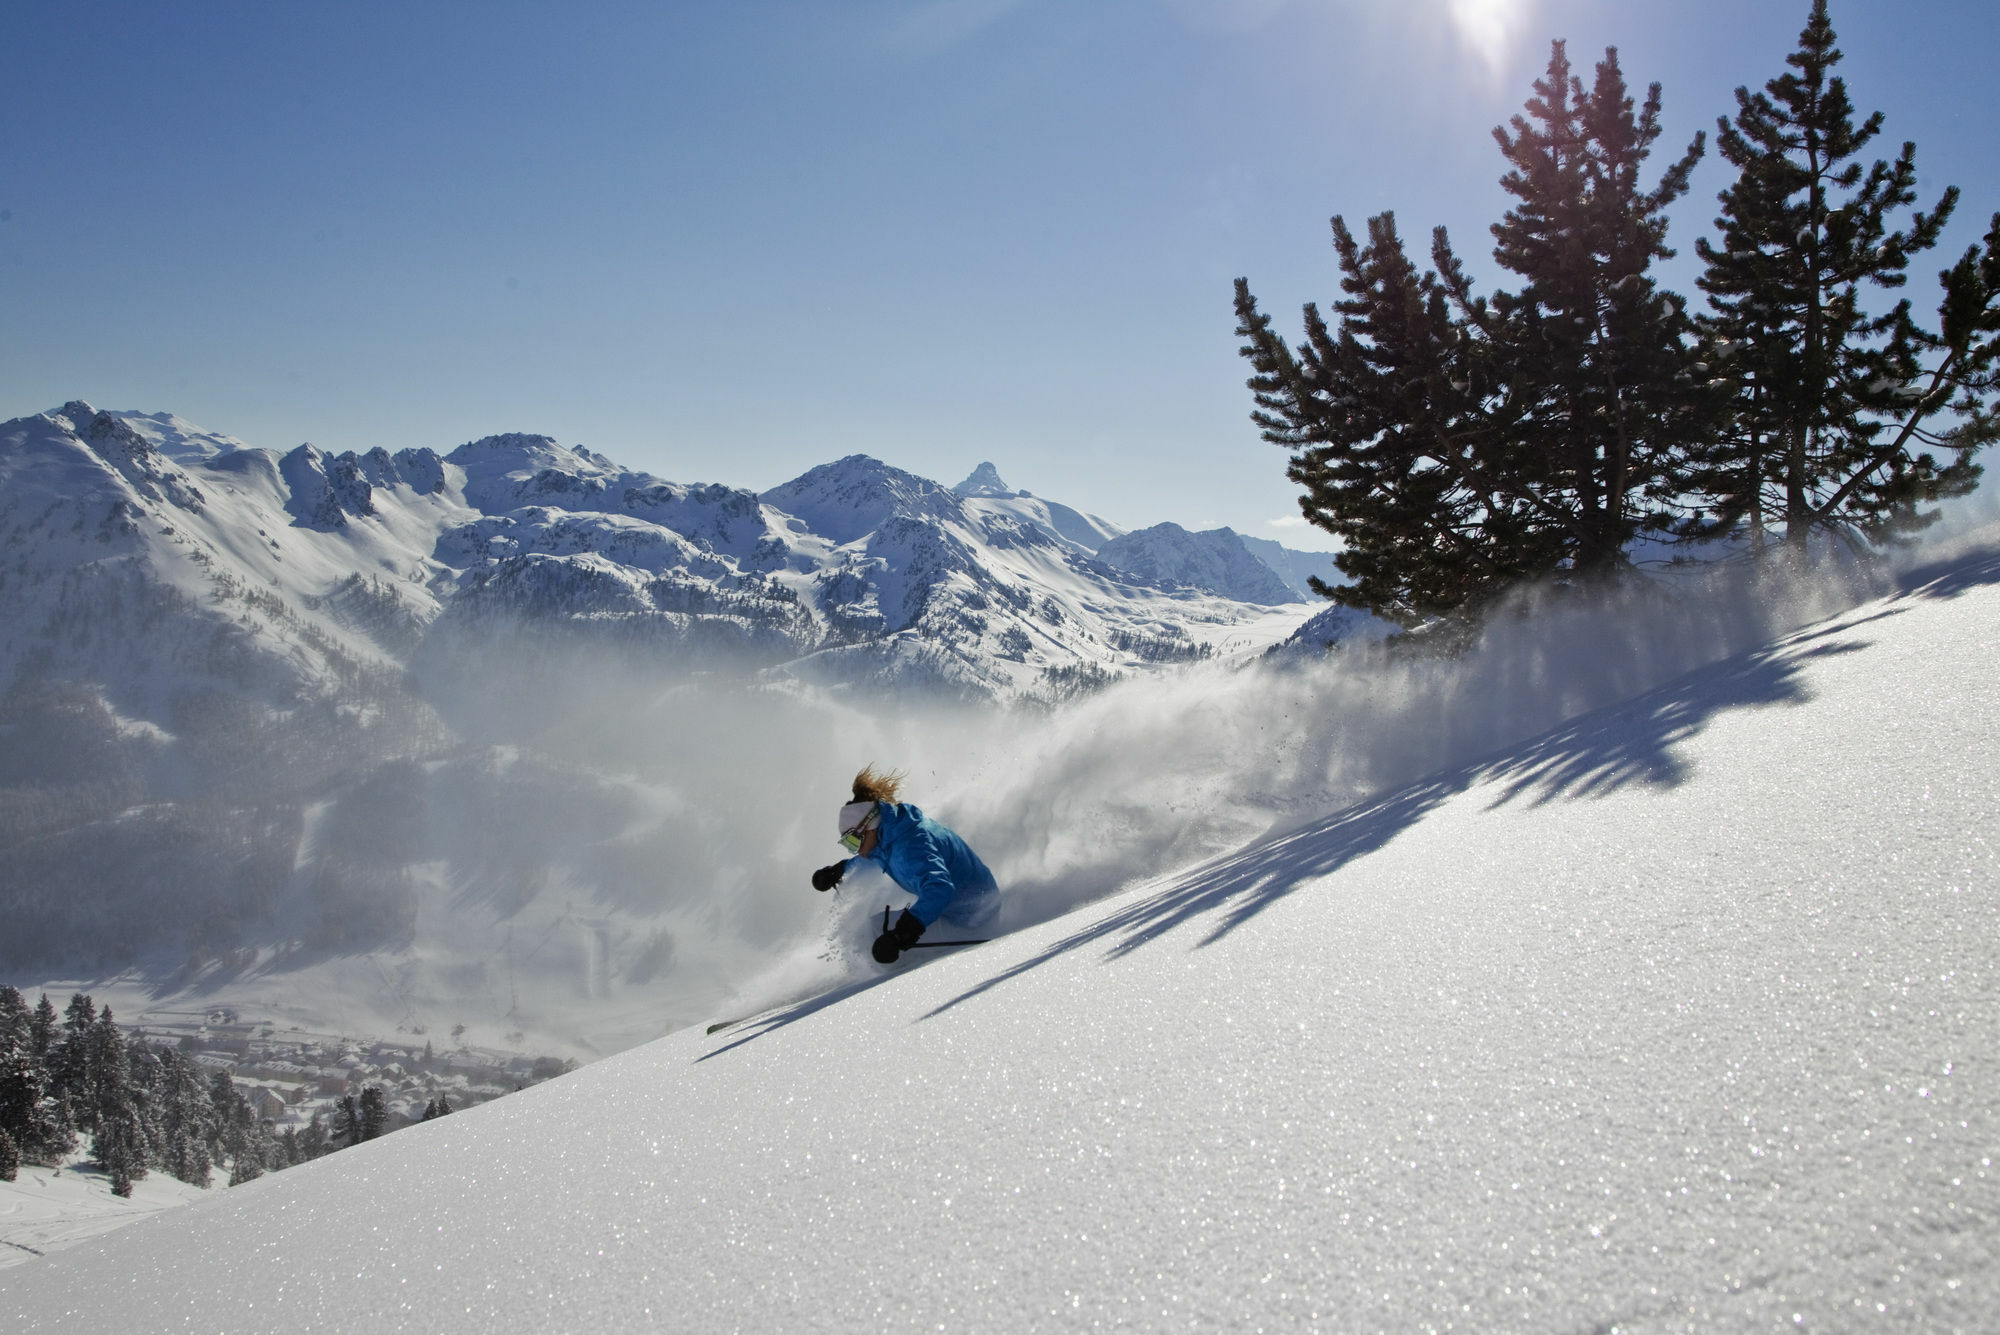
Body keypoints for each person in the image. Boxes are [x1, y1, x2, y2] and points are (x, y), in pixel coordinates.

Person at [811, 765, 998, 964]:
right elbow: (874, 857)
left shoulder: (910, 845)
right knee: (874, 932)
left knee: (876, 933)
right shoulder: (892, 832)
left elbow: (940, 887)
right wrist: (839, 870)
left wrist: (903, 934)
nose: (855, 850)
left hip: (972, 920)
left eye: (854, 841)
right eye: (848, 844)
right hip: (962, 910)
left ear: (868, 827)